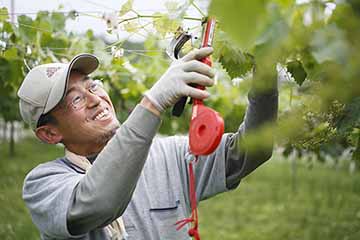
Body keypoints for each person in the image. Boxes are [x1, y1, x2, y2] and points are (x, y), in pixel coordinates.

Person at [18, 47, 278, 240]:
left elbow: (251, 150)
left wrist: (265, 75)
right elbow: (98, 203)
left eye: (93, 86)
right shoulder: (43, 185)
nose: (95, 99)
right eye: (75, 100)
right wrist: (153, 103)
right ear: (50, 134)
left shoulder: (170, 154)